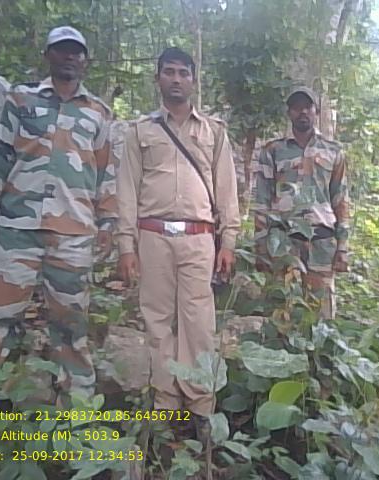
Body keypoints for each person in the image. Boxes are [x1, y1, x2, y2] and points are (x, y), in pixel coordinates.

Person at [0, 26, 117, 405]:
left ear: (86, 61)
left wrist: (109, 222)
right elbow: (0, 156)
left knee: (70, 328)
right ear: (48, 55)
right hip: (17, 231)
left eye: (76, 51)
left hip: (73, 236)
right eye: (62, 50)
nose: (70, 57)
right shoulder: (21, 99)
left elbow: (105, 173)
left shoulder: (98, 113)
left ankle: (76, 412)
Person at [115, 47, 240, 439]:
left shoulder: (213, 131)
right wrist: (126, 246)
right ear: (157, 79)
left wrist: (228, 240)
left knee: (199, 322)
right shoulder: (140, 131)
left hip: (199, 238)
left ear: (193, 80)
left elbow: (227, 190)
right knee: (157, 320)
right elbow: (126, 190)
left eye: (183, 73)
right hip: (153, 236)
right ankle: (165, 403)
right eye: (168, 71)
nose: (176, 79)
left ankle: (200, 405)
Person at [253, 87, 349, 320]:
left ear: (316, 111)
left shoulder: (333, 151)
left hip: (321, 242)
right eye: (296, 107)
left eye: (307, 107)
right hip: (284, 242)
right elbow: (262, 200)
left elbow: (340, 200)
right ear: (289, 113)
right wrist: (261, 245)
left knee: (320, 315)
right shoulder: (273, 151)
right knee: (280, 312)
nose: (302, 112)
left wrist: (343, 246)